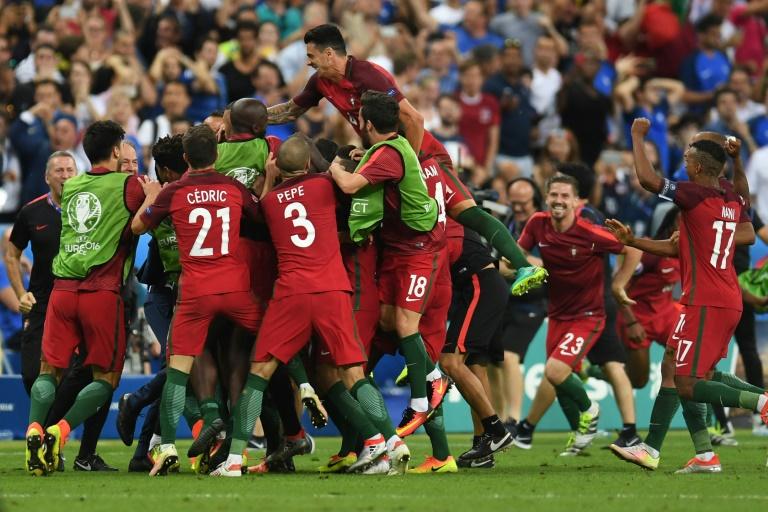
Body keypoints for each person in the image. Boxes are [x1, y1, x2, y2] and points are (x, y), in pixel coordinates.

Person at [267, 23, 546, 295]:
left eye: (311, 56)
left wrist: (405, 163)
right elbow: (291, 111)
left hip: (422, 153)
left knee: (465, 211)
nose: (309, 62)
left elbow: (414, 119)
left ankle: (521, 266)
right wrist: (249, 116)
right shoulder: (321, 83)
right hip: (392, 156)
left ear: (329, 54)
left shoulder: (368, 75)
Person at [208, 135, 409, 477]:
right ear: (306, 165)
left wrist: (271, 178)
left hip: (292, 294)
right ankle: (390, 441)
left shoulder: (270, 204)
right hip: (333, 289)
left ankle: (234, 461)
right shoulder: (324, 185)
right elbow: (346, 187)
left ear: (278, 167)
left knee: (259, 376)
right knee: (355, 374)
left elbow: (262, 203)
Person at [608, 117, 768, 473]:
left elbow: (649, 180)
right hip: (721, 296)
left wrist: (635, 136)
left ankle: (762, 404)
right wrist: (633, 242)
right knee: (676, 363)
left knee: (689, 381)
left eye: (686, 158)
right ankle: (702, 455)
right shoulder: (729, 196)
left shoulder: (694, 194)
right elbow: (742, 231)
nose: (683, 161)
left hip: (707, 300)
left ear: (697, 167)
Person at [130, 125, 267, 476]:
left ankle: (167, 449)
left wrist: (150, 198)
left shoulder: (173, 192)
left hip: (194, 293)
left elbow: (137, 228)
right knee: (270, 354)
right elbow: (259, 216)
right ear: (216, 155)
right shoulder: (233, 187)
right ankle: (239, 455)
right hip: (237, 289)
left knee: (177, 373)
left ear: (187, 158)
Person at [24, 121, 152, 476]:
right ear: (115, 152)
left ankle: (33, 430)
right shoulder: (129, 185)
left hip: (62, 291)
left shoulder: (73, 185)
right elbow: (148, 219)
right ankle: (57, 433)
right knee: (106, 376)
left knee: (50, 370)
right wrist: (153, 197)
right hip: (101, 290)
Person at [516, 173, 642, 456]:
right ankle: (583, 431)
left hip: (589, 314)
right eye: (554, 195)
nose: (559, 200)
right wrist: (521, 269)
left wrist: (618, 283)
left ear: (576, 201)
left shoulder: (590, 233)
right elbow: (517, 255)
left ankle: (591, 410)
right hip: (558, 313)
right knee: (559, 378)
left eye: (565, 196)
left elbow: (632, 249)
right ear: (547, 198)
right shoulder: (538, 224)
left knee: (555, 370)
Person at [6, 152, 75, 395]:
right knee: (31, 374)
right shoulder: (30, 212)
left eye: (70, 170)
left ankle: (55, 431)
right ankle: (45, 427)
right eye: (59, 171)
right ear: (47, 177)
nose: (65, 175)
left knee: (73, 377)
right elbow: (12, 254)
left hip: (77, 303)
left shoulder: (89, 210)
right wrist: (20, 293)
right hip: (41, 302)